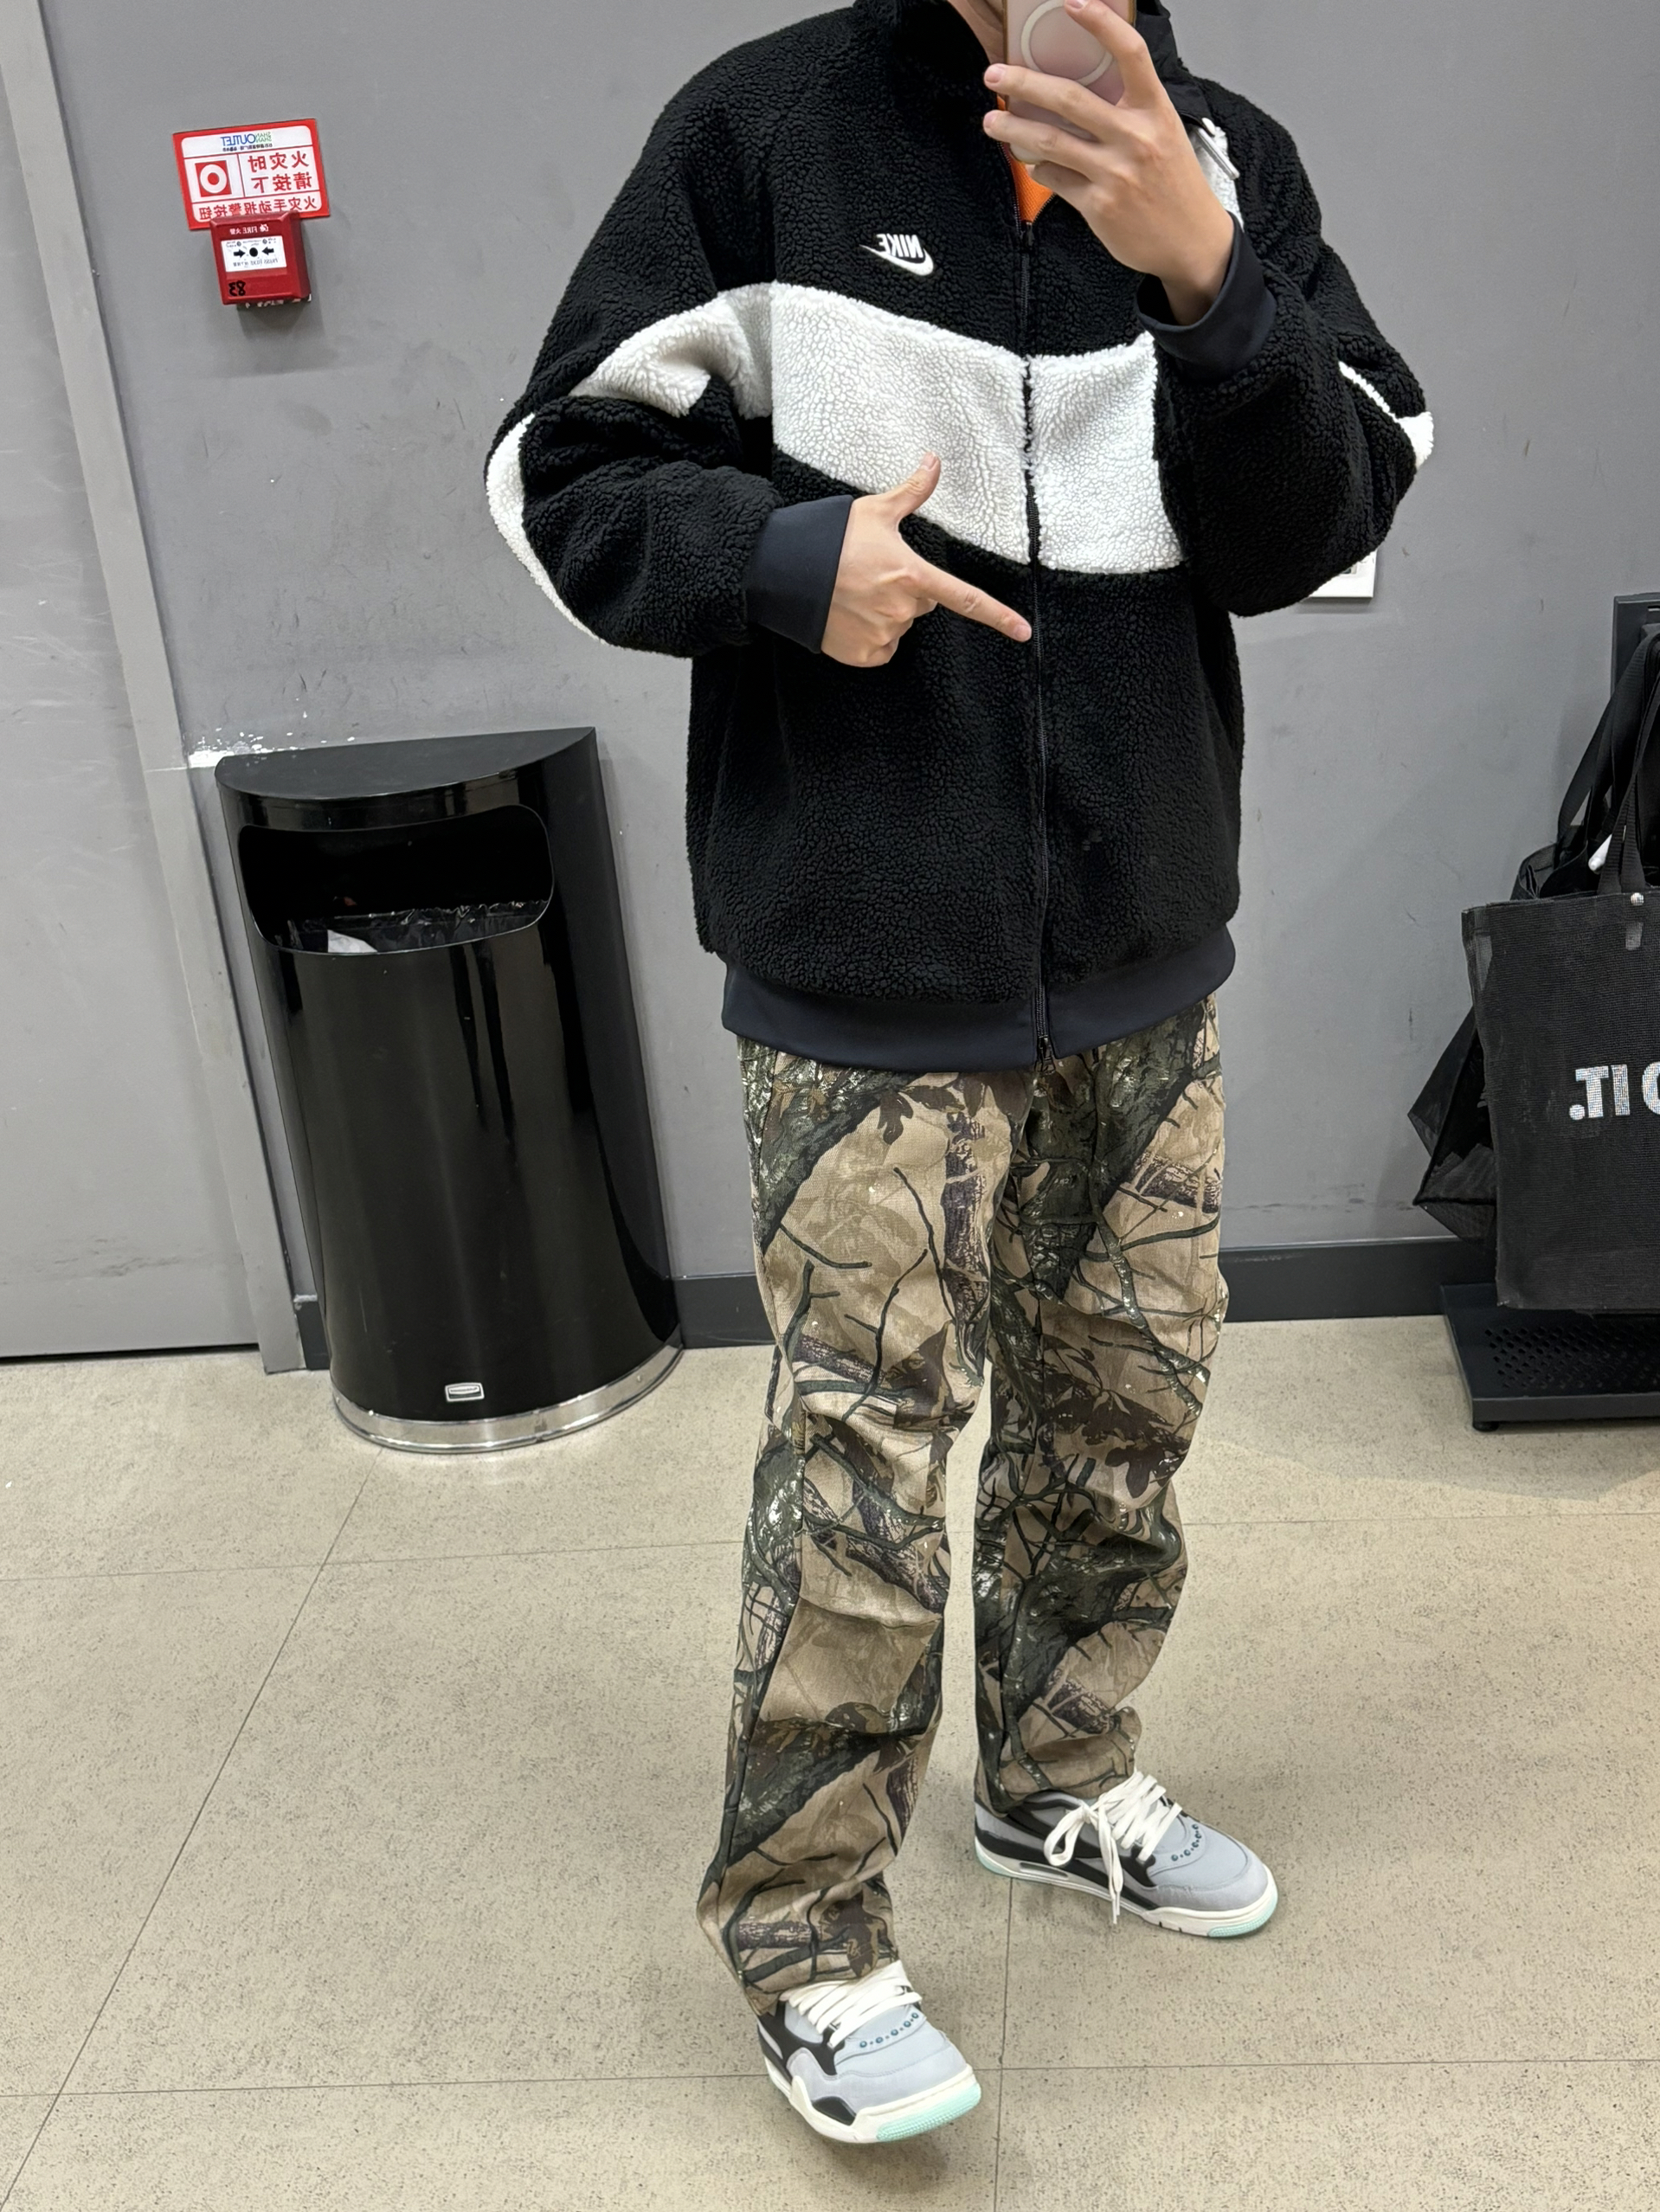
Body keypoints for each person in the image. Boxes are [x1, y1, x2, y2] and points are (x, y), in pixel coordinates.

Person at [487, 0, 1430, 2148]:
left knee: (1122, 1408)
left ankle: (1056, 1779)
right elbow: (561, 473)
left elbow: (1314, 526)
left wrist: (1204, 273)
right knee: (860, 1465)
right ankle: (806, 1939)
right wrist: (780, 562)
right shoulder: (760, 136)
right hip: (856, 962)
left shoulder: (1225, 159)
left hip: (1138, 948)